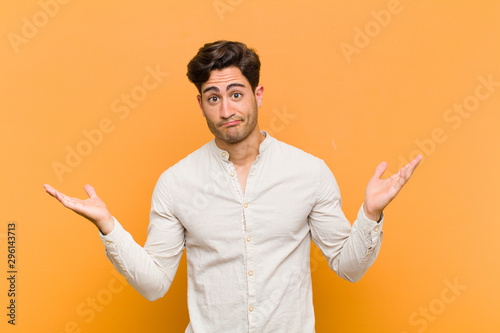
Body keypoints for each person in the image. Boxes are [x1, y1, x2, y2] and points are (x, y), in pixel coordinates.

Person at [44, 40, 421, 333]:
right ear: (201, 103)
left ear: (257, 95)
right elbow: (155, 284)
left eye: (236, 94)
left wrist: (371, 214)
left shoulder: (308, 172)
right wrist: (108, 226)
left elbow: (348, 266)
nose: (226, 110)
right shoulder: (176, 183)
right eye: (214, 98)